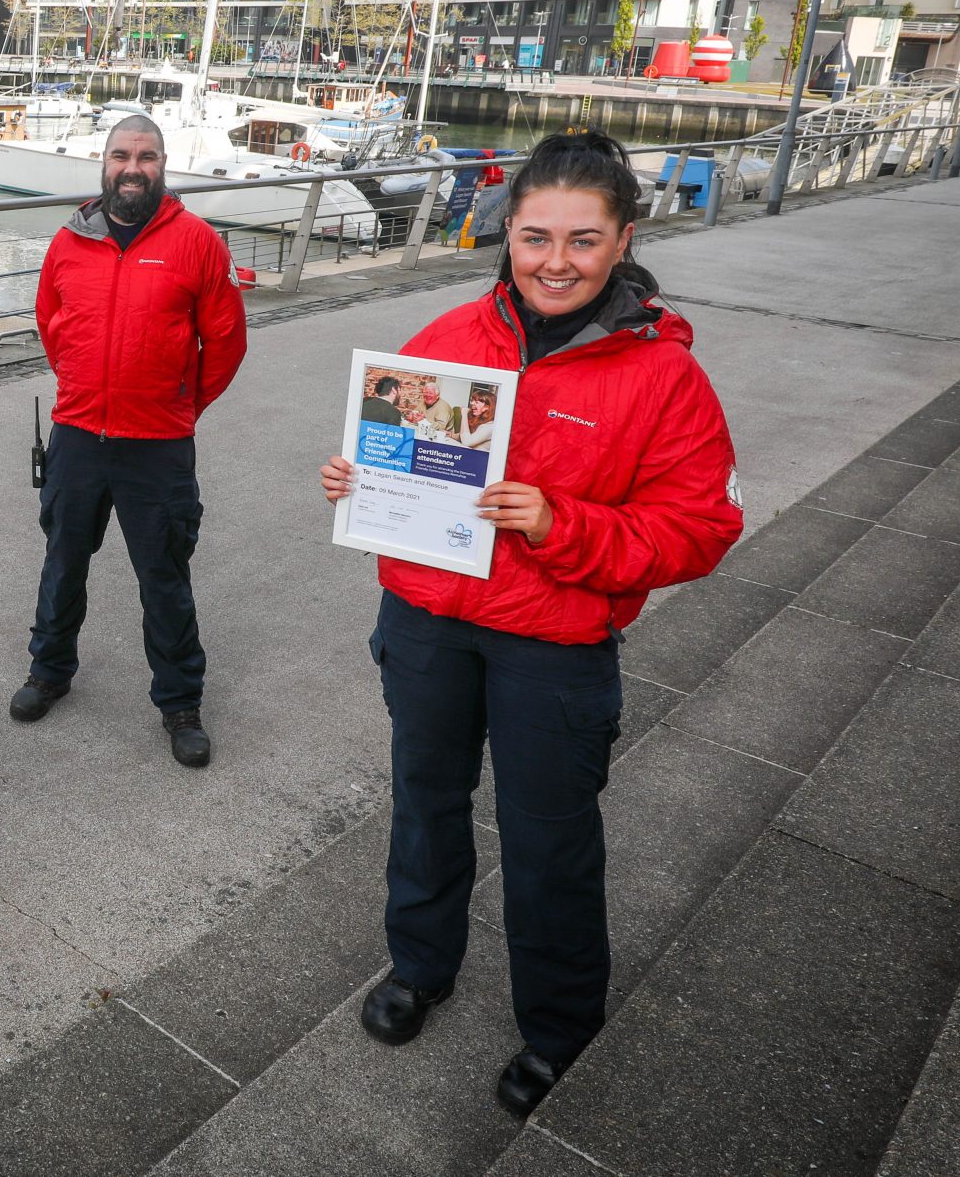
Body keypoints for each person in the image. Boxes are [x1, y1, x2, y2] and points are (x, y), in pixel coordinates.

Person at [318, 129, 742, 1118]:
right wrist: (356, 479)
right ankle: (420, 965)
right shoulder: (447, 341)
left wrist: (564, 524)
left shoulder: (661, 375)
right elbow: (396, 461)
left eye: (582, 241)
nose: (556, 261)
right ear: (504, 234)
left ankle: (557, 1025)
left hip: (553, 643)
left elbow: (699, 528)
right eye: (534, 237)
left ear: (622, 239)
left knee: (549, 840)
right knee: (425, 802)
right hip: (426, 619)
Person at [11, 114, 248, 767]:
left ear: (162, 163)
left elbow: (226, 341)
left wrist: (180, 403)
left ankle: (180, 704)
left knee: (164, 579)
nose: (132, 167)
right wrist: (87, 386)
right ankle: (48, 673)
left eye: (145, 155)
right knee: (63, 563)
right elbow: (50, 322)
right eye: (121, 155)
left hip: (158, 444)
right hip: (78, 435)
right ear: (104, 163)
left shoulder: (197, 242)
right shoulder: (69, 240)